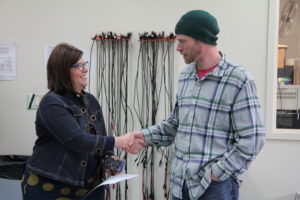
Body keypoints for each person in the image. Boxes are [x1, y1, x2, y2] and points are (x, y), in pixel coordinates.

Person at [126, 10, 265, 200]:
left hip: (214, 188)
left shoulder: (238, 80)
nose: (178, 48)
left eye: (182, 41)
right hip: (179, 184)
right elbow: (175, 124)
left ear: (201, 40)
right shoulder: (186, 76)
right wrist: (143, 137)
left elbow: (253, 139)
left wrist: (217, 173)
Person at [21, 43, 145, 200]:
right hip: (50, 186)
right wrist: (120, 141)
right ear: (62, 72)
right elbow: (77, 140)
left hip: (89, 188)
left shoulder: (91, 100)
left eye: (84, 64)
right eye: (78, 66)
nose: (85, 69)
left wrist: (109, 160)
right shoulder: (51, 103)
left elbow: (100, 139)